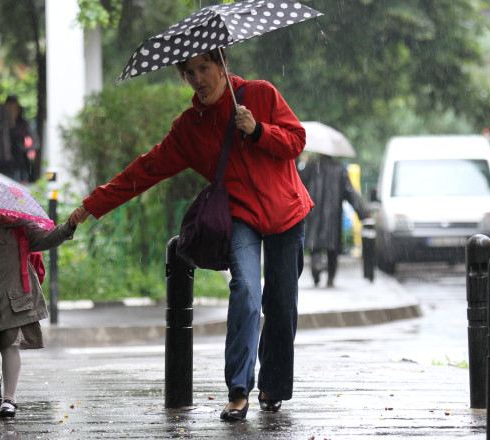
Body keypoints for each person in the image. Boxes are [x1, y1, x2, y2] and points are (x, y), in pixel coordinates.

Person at [69, 48, 313, 421]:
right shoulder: (189, 128)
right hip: (241, 216)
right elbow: (144, 170)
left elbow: (296, 140)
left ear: (222, 65)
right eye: (189, 72)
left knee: (281, 305)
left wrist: (258, 130)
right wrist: (92, 205)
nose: (198, 78)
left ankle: (273, 386)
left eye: (205, 68)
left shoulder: (260, 94)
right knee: (246, 293)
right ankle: (238, 390)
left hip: (286, 212)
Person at [0, 212, 77, 418]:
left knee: (10, 346)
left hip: (14, 299)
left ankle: (9, 399)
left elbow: (47, 238)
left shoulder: (20, 227)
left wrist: (69, 226)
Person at [299, 153, 367, 287]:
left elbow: (299, 185)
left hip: (314, 213)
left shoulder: (312, 166)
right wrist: (362, 213)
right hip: (333, 215)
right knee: (332, 248)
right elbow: (350, 193)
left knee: (315, 246)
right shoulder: (339, 168)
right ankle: (330, 277)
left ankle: (316, 268)